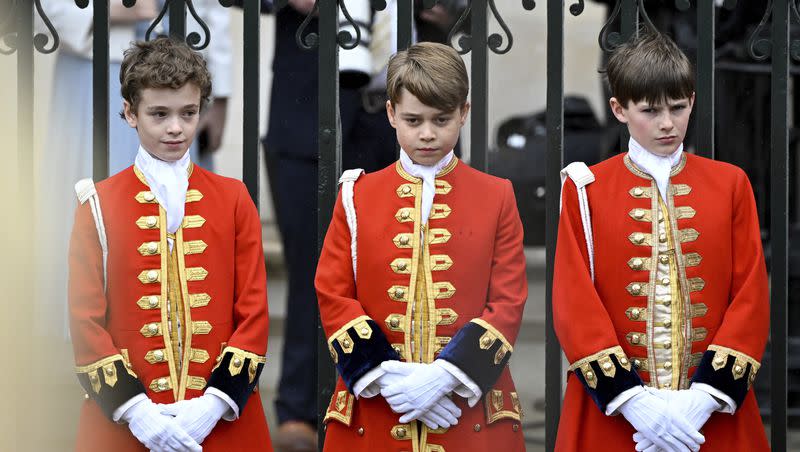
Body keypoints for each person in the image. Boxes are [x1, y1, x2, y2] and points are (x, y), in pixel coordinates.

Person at [553, 32, 769, 451]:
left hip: (710, 414)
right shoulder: (587, 189)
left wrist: (705, 398)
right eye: (650, 111)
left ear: (692, 99)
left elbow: (751, 295)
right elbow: (573, 300)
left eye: (678, 107)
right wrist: (633, 402)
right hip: (616, 414)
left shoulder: (731, 184)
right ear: (619, 109)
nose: (667, 123)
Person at [315, 42, 528, 451]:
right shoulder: (355, 195)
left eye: (442, 119)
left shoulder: (497, 195)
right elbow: (333, 291)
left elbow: (508, 301)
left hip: (470, 413)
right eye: (413, 119)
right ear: (391, 113)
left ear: (464, 113)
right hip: (376, 408)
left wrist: (445, 377)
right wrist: (390, 379)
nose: (427, 133)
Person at [68, 38, 271, 451]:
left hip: (221, 422)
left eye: (188, 113)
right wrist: (136, 412)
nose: (175, 127)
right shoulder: (97, 205)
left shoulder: (233, 197)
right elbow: (85, 320)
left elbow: (253, 311)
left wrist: (214, 404)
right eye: (159, 114)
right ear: (130, 113)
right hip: (128, 425)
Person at [35, 0, 231, 341]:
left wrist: (222, 91)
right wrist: (106, 10)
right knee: (102, 209)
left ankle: (178, 335)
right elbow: (42, 8)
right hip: (98, 62)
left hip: (183, 66)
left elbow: (213, 8)